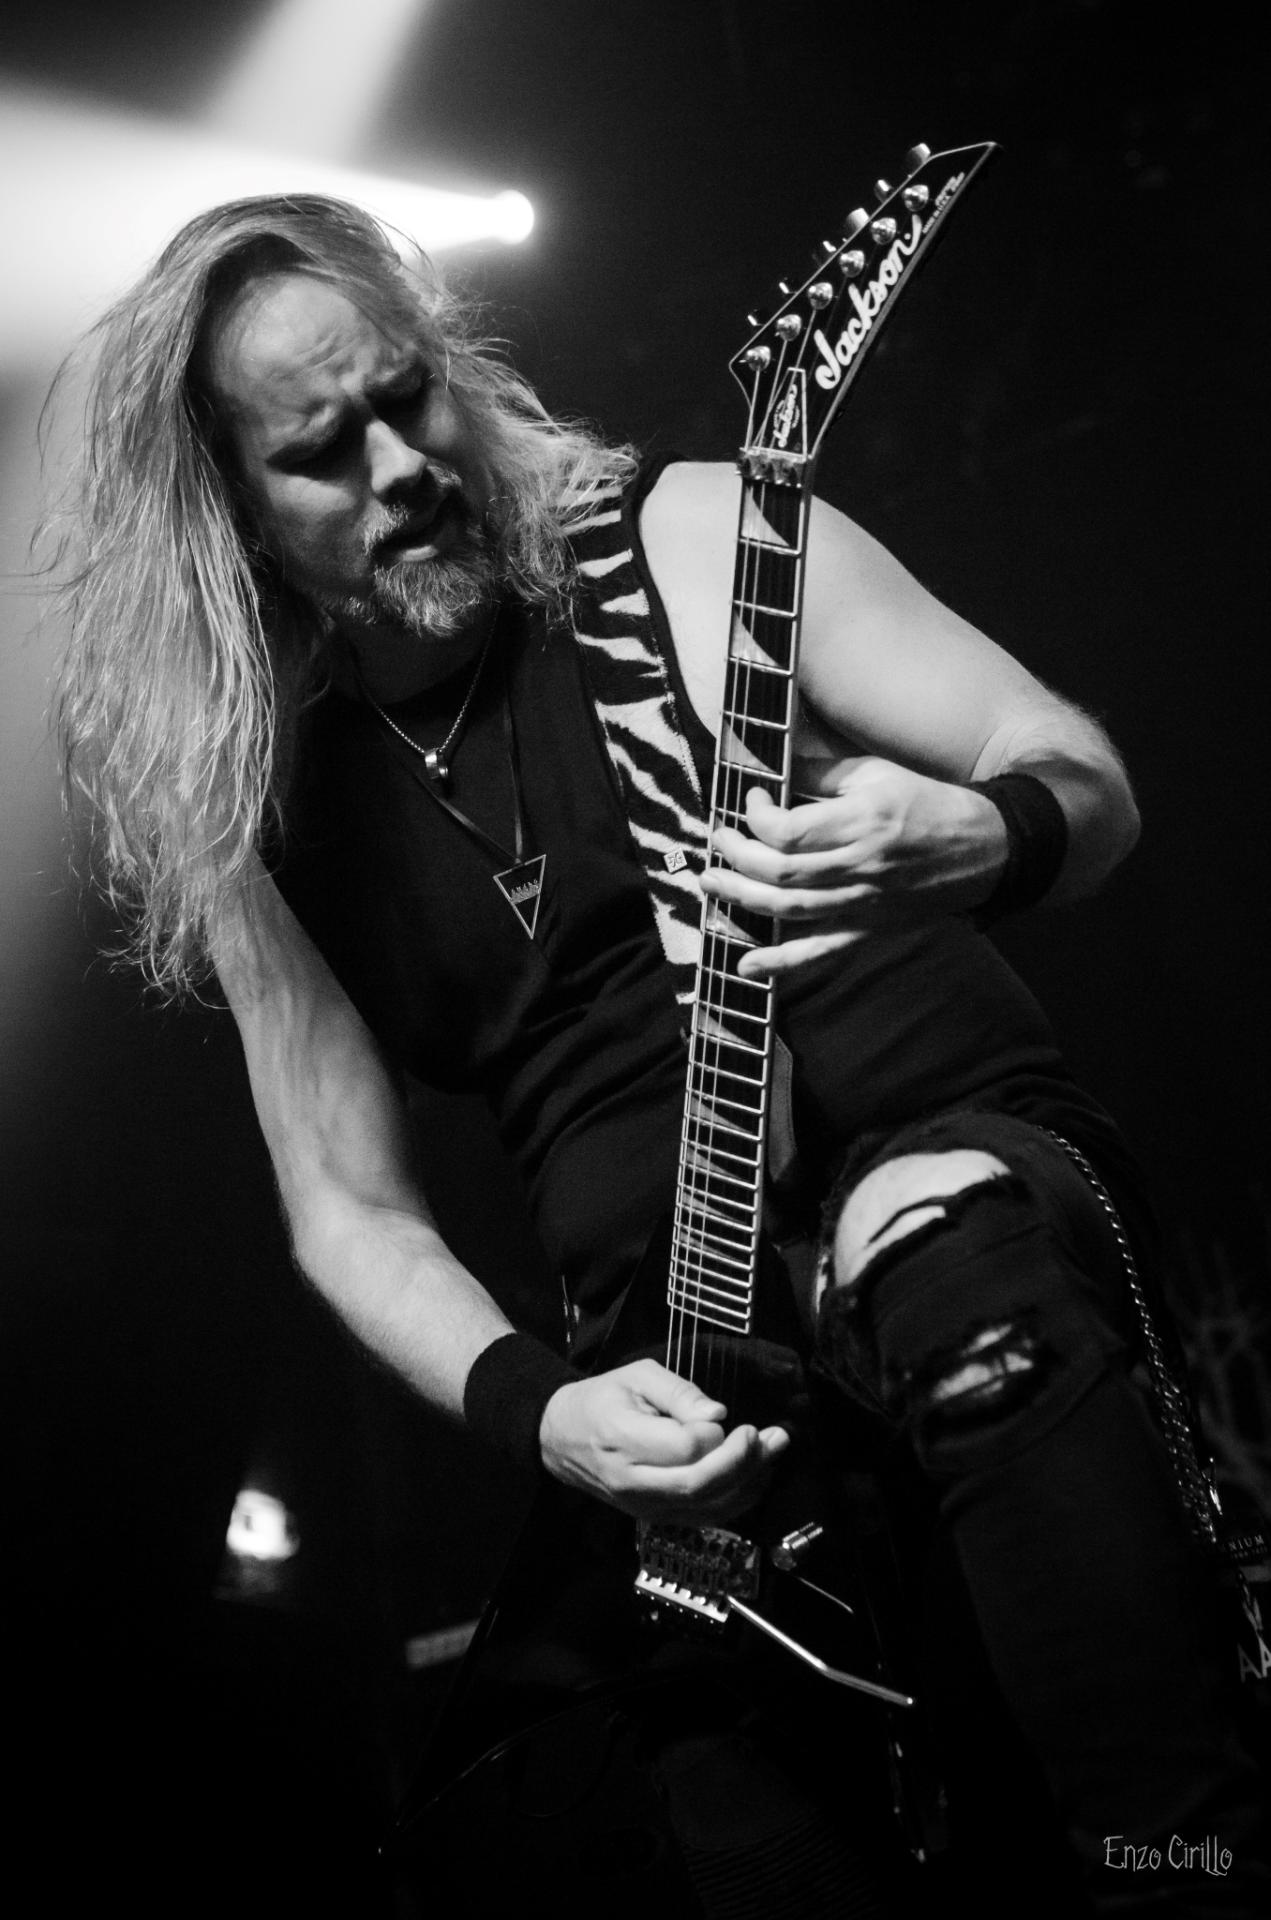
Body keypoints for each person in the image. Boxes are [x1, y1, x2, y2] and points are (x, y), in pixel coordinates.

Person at [49, 192, 1266, 1915]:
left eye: (407, 394)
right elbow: (347, 1210)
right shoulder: (265, 822)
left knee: (937, 1249)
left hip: (964, 1170)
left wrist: (984, 831)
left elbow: (1080, 772)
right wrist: (545, 1413)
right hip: (685, 1384)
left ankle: (1191, 1867)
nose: (401, 464)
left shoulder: (694, 544)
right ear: (229, 515)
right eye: (321, 450)